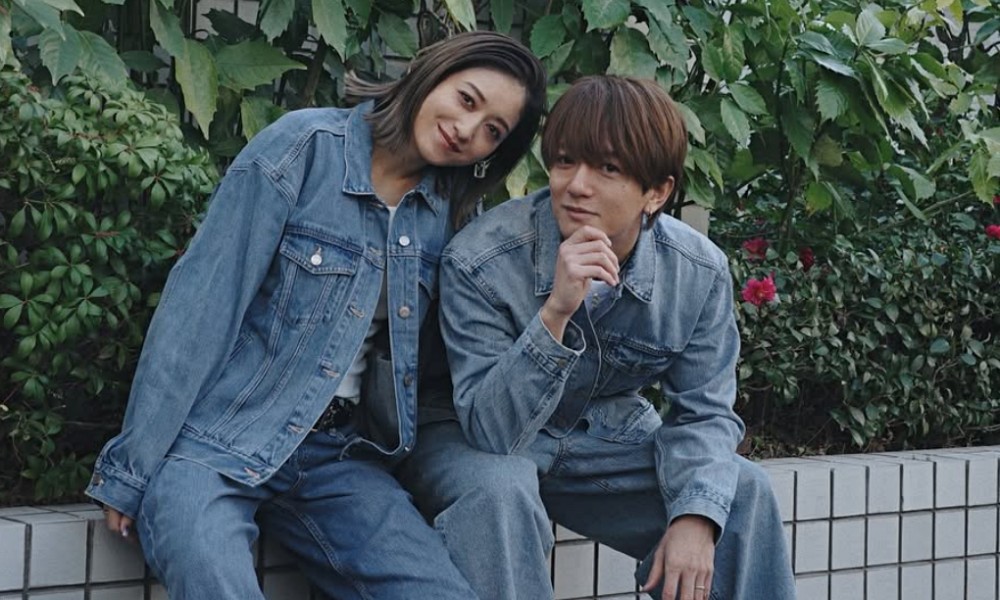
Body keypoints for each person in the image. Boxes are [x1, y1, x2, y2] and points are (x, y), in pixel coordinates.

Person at [85, 31, 546, 599]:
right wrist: (131, 468)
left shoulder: (445, 216)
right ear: (430, 75)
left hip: (338, 457)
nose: (468, 129)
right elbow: (201, 308)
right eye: (467, 99)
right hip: (222, 439)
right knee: (209, 569)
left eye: (493, 131)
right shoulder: (303, 147)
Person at [399, 75, 796, 600]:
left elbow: (704, 413)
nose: (576, 185)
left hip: (600, 436)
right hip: (470, 436)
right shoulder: (481, 259)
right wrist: (556, 314)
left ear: (657, 192)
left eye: (607, 168)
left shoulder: (696, 271)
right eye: (565, 161)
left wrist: (696, 516)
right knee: (498, 491)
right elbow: (491, 433)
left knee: (739, 493)